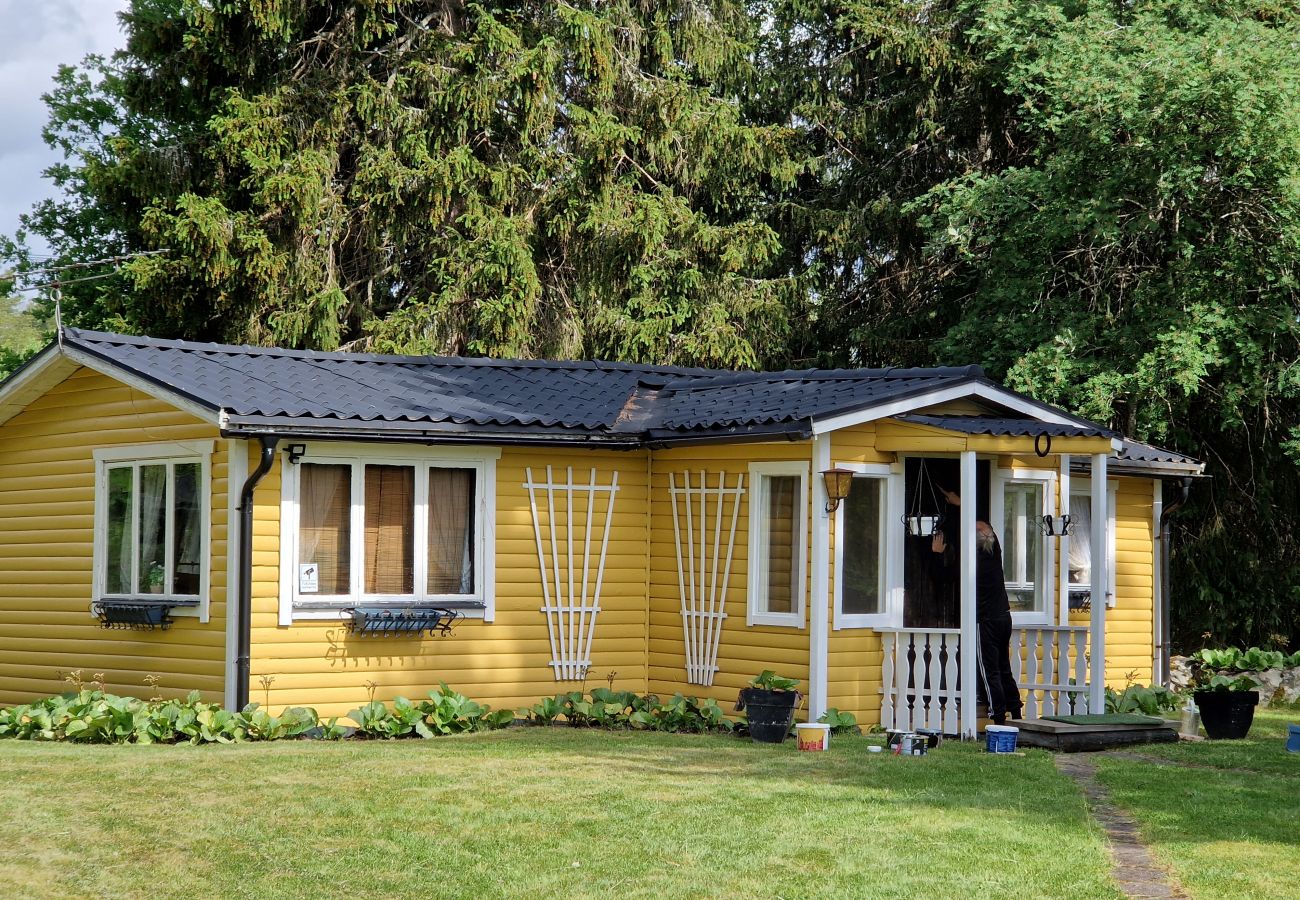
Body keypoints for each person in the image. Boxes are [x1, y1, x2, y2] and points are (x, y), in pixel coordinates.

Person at [930, 489, 1023, 725]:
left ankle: (999, 719)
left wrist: (936, 554)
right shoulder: (995, 552)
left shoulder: (970, 565)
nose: (981, 527)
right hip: (1004, 618)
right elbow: (978, 522)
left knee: (989, 671)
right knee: (1004, 668)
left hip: (987, 622)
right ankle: (1017, 713)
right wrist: (960, 503)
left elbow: (942, 576)